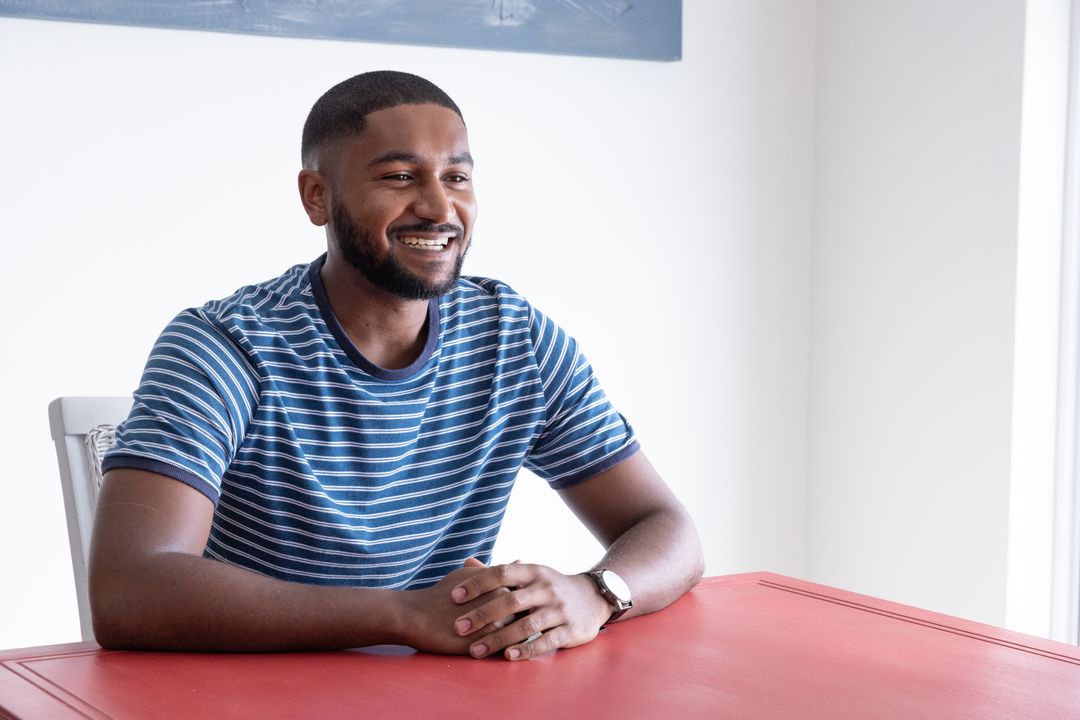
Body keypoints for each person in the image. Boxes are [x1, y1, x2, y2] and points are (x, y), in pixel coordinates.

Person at [89, 70, 703, 661]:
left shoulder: (516, 339)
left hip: (435, 689)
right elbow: (129, 591)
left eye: (457, 177)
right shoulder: (223, 345)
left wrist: (596, 594)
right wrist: (403, 615)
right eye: (400, 176)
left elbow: (668, 529)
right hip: (246, 691)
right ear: (317, 196)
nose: (440, 207)